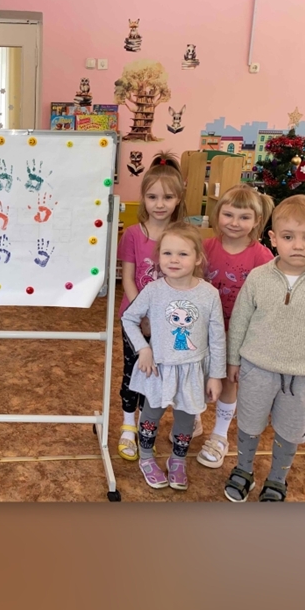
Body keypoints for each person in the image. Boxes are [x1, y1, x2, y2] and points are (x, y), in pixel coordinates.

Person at [224, 195, 305, 502]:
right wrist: (233, 360)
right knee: (249, 423)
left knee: (290, 430)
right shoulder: (258, 277)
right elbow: (240, 320)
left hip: (302, 377)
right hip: (256, 369)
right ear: (273, 238)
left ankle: (277, 479)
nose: (298, 246)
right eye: (289, 237)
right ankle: (243, 470)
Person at [122, 223, 226, 491]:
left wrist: (216, 375)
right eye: (167, 253)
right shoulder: (153, 290)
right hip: (159, 369)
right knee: (150, 415)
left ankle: (178, 460)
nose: (174, 260)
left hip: (192, 371)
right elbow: (129, 318)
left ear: (198, 258)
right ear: (158, 257)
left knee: (186, 419)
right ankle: (146, 458)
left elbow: (217, 338)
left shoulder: (209, 294)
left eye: (183, 254)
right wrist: (143, 349)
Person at [195, 185, 274, 469]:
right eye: (228, 214)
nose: (235, 223)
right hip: (203, 329)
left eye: (244, 217)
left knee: (229, 381)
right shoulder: (205, 248)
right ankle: (192, 418)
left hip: (238, 334)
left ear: (257, 221)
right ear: (218, 214)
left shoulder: (262, 257)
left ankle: (220, 435)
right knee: (196, 374)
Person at [116, 152, 187, 461]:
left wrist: (161, 319)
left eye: (167, 197)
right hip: (134, 319)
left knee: (155, 375)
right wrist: (142, 314)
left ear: (178, 199)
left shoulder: (182, 236)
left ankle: (147, 426)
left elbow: (185, 280)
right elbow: (128, 279)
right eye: (152, 196)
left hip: (168, 322)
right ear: (143, 198)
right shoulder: (133, 234)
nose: (160, 204)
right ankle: (127, 426)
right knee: (132, 371)